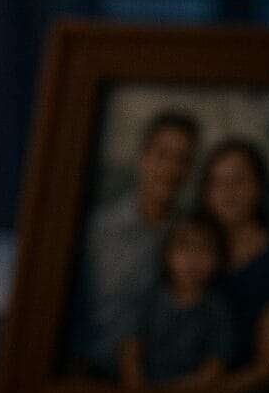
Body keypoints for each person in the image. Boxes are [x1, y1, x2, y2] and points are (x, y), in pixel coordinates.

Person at [80, 109, 199, 366]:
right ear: (143, 157)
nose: (171, 169)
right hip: (93, 370)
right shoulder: (100, 231)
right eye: (162, 155)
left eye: (182, 159)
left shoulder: (192, 238)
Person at [199, 138, 269, 393]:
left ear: (260, 186)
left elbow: (267, 369)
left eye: (239, 181)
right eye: (218, 183)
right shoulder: (192, 250)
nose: (227, 192)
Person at [118, 211, 233, 391]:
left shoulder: (218, 310)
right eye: (184, 247)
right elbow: (130, 351)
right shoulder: (149, 299)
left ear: (219, 258)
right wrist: (138, 391)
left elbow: (213, 370)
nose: (193, 258)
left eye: (204, 249)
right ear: (167, 254)